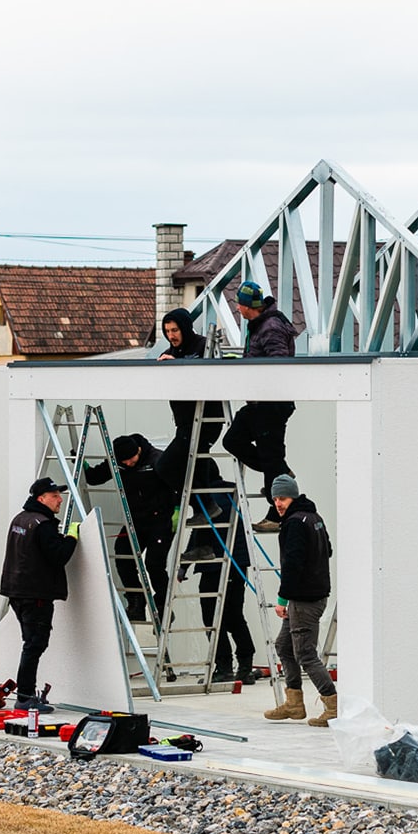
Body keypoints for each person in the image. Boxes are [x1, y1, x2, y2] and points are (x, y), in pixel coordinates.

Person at [262, 474, 338, 727]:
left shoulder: (294, 523)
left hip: (303, 599)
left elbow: (292, 565)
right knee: (284, 646)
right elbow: (328, 550)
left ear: (293, 496)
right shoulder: (314, 518)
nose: (278, 503)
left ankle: (333, 706)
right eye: (275, 499)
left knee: (305, 653)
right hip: (310, 595)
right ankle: (294, 704)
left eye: (282, 498)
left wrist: (282, 599)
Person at [0, 478, 81, 712]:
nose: (60, 500)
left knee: (31, 643)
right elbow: (59, 556)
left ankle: (26, 695)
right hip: (35, 593)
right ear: (41, 498)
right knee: (35, 644)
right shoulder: (43, 524)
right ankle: (25, 697)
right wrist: (71, 537)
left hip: (17, 590)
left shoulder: (20, 519)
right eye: (54, 495)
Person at [222, 280, 296, 529]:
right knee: (233, 441)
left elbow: (279, 364)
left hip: (271, 404)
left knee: (271, 457)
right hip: (260, 403)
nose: (237, 309)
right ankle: (280, 471)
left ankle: (276, 515)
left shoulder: (270, 327)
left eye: (239, 305)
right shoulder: (261, 325)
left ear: (246, 306)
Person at [177, 456, 258, 685]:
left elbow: (198, 532)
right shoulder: (233, 492)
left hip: (215, 564)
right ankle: (245, 666)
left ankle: (224, 667)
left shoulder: (207, 495)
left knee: (212, 617)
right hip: (237, 564)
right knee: (234, 615)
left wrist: (184, 565)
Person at [82, 433, 175, 623]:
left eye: (132, 459)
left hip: (161, 521)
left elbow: (178, 487)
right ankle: (136, 601)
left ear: (139, 450)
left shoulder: (157, 459)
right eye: (124, 461)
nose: (129, 463)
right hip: (135, 522)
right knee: (123, 557)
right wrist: (82, 463)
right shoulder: (118, 462)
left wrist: (177, 512)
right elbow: (95, 478)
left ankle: (163, 606)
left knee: (154, 565)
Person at [156, 306, 226, 494]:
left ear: (185, 328)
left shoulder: (203, 347)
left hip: (206, 420)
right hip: (185, 423)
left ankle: (205, 503)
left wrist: (178, 366)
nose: (171, 336)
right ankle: (206, 505)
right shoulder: (169, 353)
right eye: (167, 331)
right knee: (195, 470)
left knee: (165, 466)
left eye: (175, 330)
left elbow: (211, 379)